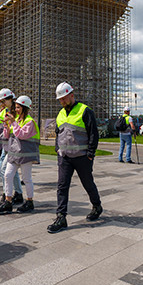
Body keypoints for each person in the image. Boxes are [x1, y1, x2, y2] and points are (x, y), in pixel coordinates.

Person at [47, 82, 103, 233]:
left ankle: (97, 206)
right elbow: (58, 133)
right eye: (60, 100)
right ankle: (61, 217)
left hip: (82, 157)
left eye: (64, 98)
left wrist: (90, 153)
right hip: (65, 157)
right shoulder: (60, 113)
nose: (62, 102)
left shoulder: (85, 111)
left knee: (88, 183)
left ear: (72, 95)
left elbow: (93, 134)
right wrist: (57, 149)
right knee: (62, 186)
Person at [0, 96, 38, 214]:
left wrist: (13, 122)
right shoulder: (16, 120)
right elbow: (7, 136)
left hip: (25, 155)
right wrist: (6, 125)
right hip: (14, 153)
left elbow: (21, 134)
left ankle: (29, 201)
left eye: (18, 107)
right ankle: (8, 202)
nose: (16, 110)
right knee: (7, 175)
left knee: (26, 178)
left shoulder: (30, 122)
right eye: (16, 107)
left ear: (25, 108)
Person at [0, 89, 23, 204]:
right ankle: (18, 193)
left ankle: (6, 195)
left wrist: (11, 122)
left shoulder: (17, 111)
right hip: (6, 145)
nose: (2, 103)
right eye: (1, 101)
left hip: (14, 145)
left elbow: (18, 127)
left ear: (10, 99)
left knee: (3, 170)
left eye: (3, 101)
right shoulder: (4, 110)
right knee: (14, 172)